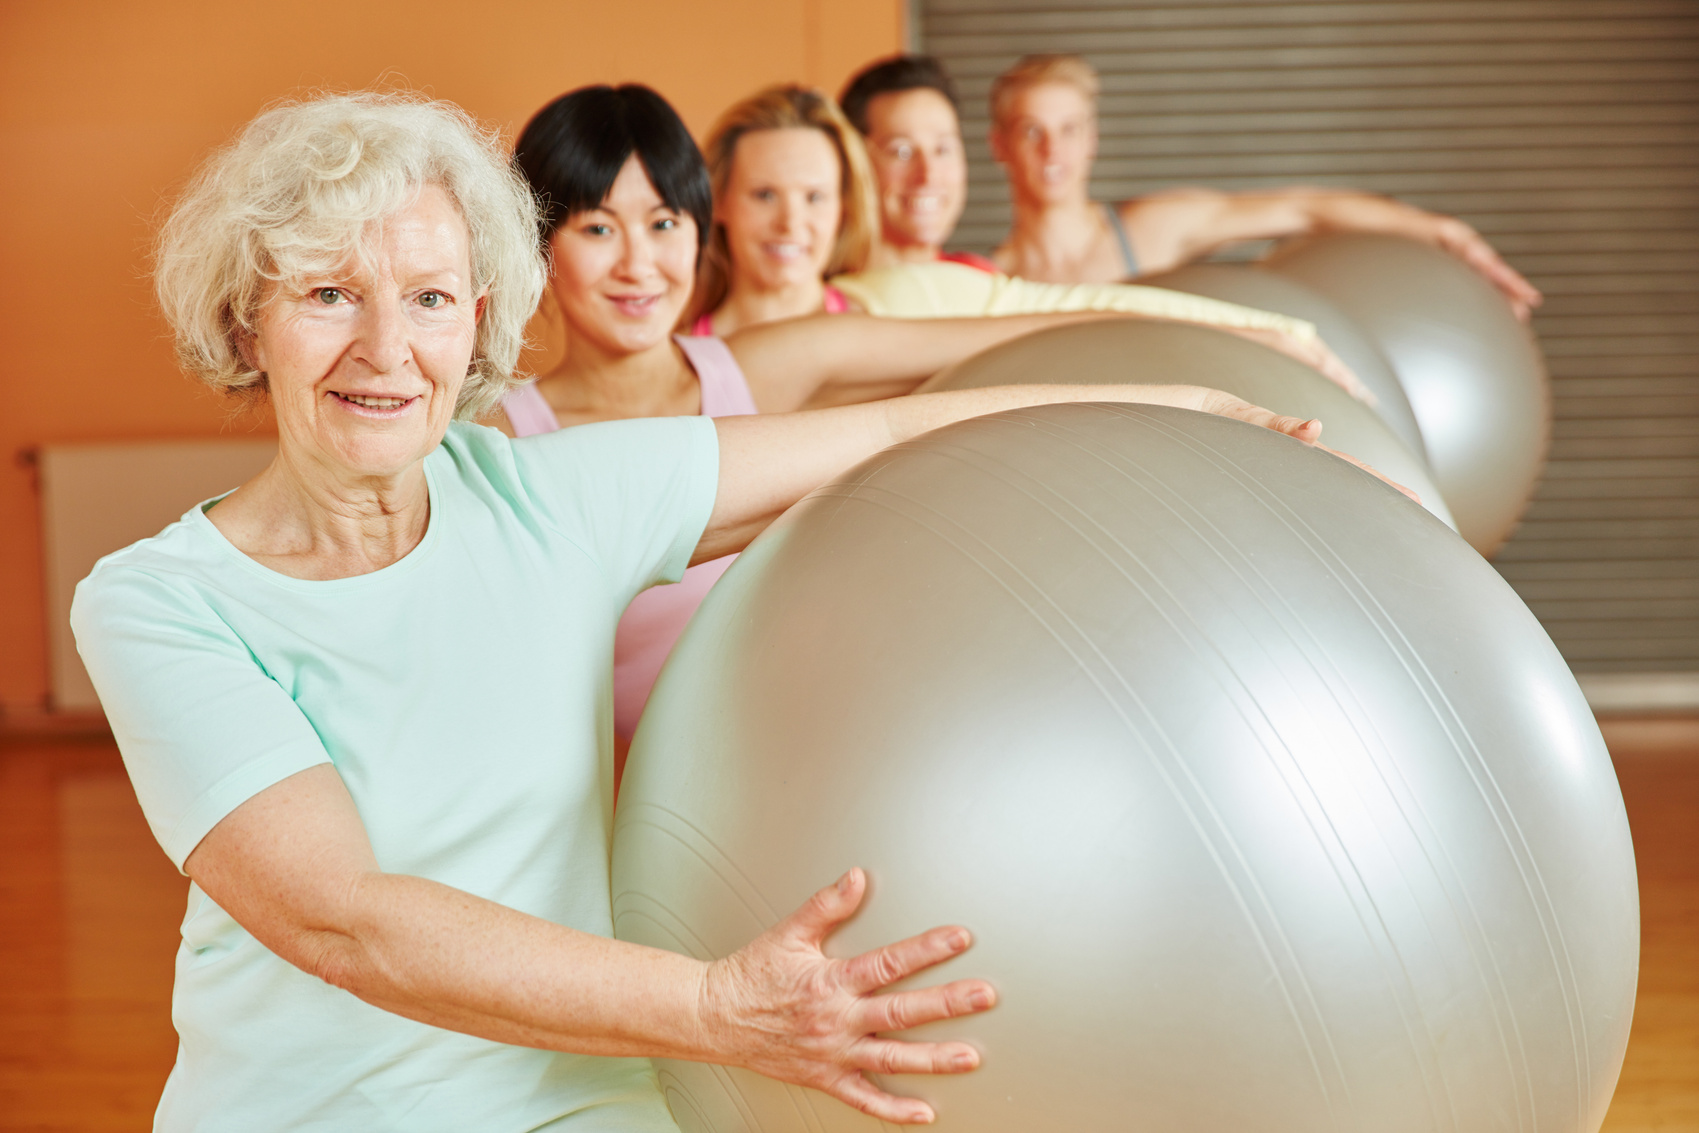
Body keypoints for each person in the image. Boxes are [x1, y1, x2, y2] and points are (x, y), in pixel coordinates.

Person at [73, 90, 1347, 1131]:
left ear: (480, 321)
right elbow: (342, 915)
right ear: (248, 319)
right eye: (327, 294)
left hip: (588, 1095)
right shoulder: (161, 600)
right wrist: (718, 1006)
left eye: (427, 297)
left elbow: (894, 433)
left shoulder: (546, 500)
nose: (385, 347)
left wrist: (1181, 411)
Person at [502, 84, 1370, 751]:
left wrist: (1243, 344)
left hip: (792, 774)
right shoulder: (498, 442)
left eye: (662, 222)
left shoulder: (768, 364)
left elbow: (1030, 329)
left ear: (699, 231)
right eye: (596, 229)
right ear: (541, 243)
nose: (639, 265)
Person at [836, 54, 1541, 320]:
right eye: (1030, 131)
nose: (1053, 151)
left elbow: (1304, 207)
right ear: (997, 147)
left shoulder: (1152, 229)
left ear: (1094, 137)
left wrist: (1444, 232)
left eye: (1071, 129)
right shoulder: (982, 280)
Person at [686, 85, 876, 335]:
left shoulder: (883, 326)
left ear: (845, 207)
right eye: (765, 195)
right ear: (718, 201)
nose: (790, 223)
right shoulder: (681, 357)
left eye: (814, 197)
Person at [839, 54, 992, 272]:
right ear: (853, 163)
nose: (928, 175)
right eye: (902, 152)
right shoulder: (822, 298)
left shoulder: (983, 284)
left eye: (942, 149)